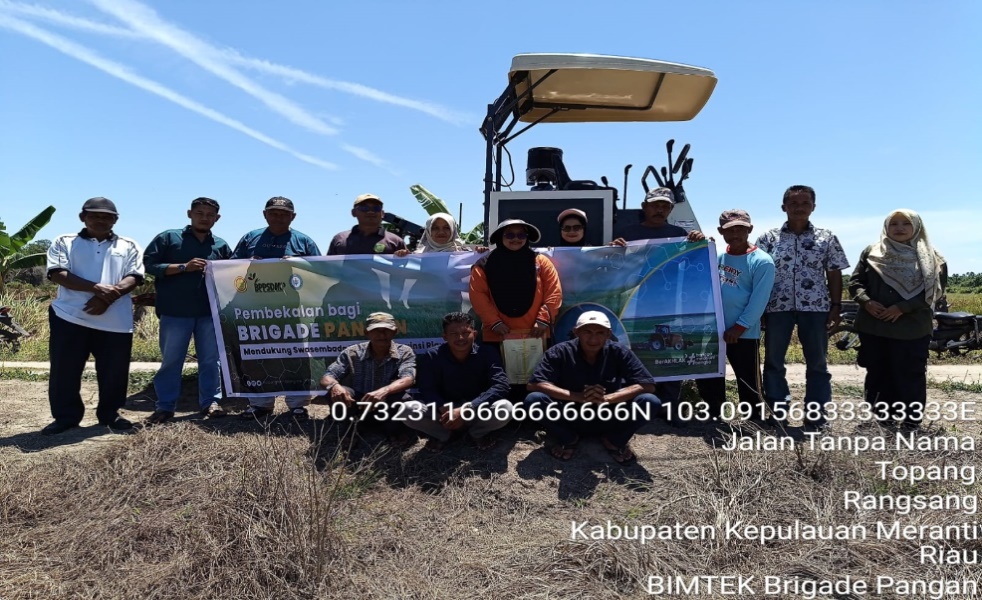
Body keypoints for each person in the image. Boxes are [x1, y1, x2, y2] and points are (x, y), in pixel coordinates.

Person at [41, 197, 144, 434]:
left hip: (115, 321)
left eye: (107, 216)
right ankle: (66, 417)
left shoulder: (129, 245)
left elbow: (135, 276)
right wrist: (97, 288)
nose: (100, 220)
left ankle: (110, 415)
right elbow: (57, 273)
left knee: (114, 372)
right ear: (82, 217)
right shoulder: (65, 242)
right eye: (94, 215)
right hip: (69, 316)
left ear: (115, 220)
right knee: (65, 370)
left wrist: (107, 297)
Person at [755, 185, 850, 431]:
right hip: (777, 307)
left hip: (816, 307)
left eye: (805, 203)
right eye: (794, 203)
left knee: (817, 363)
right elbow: (758, 274)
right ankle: (777, 411)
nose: (799, 208)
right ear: (783, 207)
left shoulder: (826, 237)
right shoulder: (768, 238)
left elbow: (834, 273)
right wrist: (759, 309)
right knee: (774, 362)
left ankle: (816, 416)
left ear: (813, 207)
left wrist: (836, 306)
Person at [609, 187, 706, 415]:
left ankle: (669, 405)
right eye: (655, 205)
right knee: (632, 351)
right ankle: (633, 401)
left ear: (670, 209)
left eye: (665, 206)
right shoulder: (627, 233)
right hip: (633, 304)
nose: (659, 210)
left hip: (669, 305)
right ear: (644, 207)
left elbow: (695, 260)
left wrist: (699, 242)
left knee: (670, 354)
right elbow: (611, 267)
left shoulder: (680, 233)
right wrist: (612, 249)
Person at [849, 209, 945, 430]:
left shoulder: (932, 257)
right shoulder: (872, 252)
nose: (899, 228)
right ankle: (884, 419)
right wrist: (866, 302)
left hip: (912, 328)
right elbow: (856, 283)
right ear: (886, 227)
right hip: (874, 325)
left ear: (917, 227)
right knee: (878, 373)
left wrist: (902, 307)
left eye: (906, 223)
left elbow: (934, 291)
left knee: (910, 374)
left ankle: (911, 421)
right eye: (893, 224)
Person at [524, 311, 662, 464]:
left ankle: (615, 440)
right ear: (576, 332)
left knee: (650, 401)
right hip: (571, 415)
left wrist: (607, 398)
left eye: (600, 333)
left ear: (608, 334)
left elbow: (647, 385)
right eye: (587, 332)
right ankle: (568, 438)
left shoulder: (619, 351)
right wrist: (577, 396)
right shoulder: (559, 351)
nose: (593, 339)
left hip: (610, 415)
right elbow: (534, 384)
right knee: (534, 400)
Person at [141, 197, 232, 426]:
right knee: (172, 361)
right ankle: (165, 407)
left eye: (210, 215)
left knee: (210, 361)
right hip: (175, 312)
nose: (204, 218)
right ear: (189, 214)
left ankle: (210, 403)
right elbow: (149, 265)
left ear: (217, 218)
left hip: (209, 313)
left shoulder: (220, 245)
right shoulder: (168, 238)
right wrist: (184, 267)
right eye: (200, 213)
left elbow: (232, 273)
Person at [233, 196, 321, 419]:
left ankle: (298, 404)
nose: (278, 217)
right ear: (265, 215)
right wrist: (246, 263)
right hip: (255, 308)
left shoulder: (304, 241)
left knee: (296, 353)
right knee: (257, 353)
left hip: (293, 309)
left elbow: (321, 269)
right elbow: (229, 267)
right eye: (273, 213)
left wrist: (300, 263)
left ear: (293, 217)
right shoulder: (251, 238)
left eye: (284, 214)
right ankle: (260, 404)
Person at [695, 210, 775, 422]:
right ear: (721, 231)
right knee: (710, 374)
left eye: (740, 229)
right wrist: (699, 244)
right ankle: (714, 414)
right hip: (714, 330)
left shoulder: (762, 261)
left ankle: (754, 419)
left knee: (747, 378)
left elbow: (759, 300)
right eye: (730, 230)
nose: (735, 234)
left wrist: (739, 327)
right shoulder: (718, 257)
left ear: (750, 229)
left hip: (743, 333)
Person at [403, 312, 512, 452]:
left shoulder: (487, 352)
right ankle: (445, 435)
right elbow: (426, 388)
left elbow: (501, 385)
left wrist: (468, 408)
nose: (460, 338)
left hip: (476, 410)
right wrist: (444, 408)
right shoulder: (432, 355)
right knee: (407, 410)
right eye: (454, 334)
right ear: (445, 337)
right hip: (443, 413)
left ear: (475, 334)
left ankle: (477, 433)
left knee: (505, 408)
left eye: (466, 333)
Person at [319, 312, 416, 445]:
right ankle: (351, 430)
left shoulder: (405, 352)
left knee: (404, 399)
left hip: (386, 405)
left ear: (394, 332)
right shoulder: (352, 352)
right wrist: (335, 386)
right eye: (376, 331)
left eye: (386, 330)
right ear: (366, 333)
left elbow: (408, 378)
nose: (381, 335)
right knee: (338, 393)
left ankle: (395, 431)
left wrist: (384, 391)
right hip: (358, 405)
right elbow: (327, 377)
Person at [469, 219, 562, 344]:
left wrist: (543, 320)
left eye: (521, 235)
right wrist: (494, 322)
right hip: (497, 336)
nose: (516, 239)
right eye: (510, 235)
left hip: (537, 333)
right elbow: (478, 296)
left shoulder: (541, 261)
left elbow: (554, 291)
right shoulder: (484, 264)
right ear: (500, 237)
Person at [327, 193, 407, 255]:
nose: (370, 211)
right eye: (364, 208)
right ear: (353, 213)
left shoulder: (396, 241)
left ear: (382, 213)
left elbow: (405, 268)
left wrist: (404, 256)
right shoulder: (339, 239)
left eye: (376, 208)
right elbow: (328, 267)